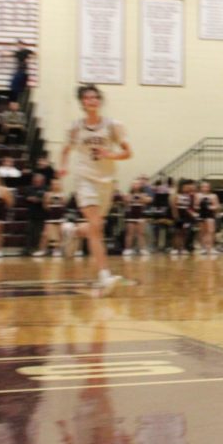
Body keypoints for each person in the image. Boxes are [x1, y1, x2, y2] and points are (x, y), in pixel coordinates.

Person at [59, 85, 131, 290]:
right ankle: (104, 275)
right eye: (87, 97)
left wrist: (109, 154)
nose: (91, 100)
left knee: (93, 228)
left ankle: (72, 230)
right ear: (82, 102)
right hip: (85, 179)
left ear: (99, 101)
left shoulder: (112, 126)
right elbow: (65, 150)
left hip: (106, 182)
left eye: (95, 97)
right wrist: (64, 167)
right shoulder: (75, 128)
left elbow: (128, 153)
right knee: (97, 226)